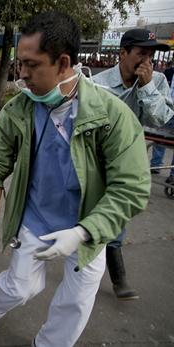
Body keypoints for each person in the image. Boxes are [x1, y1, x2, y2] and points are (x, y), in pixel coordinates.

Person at [0, 12, 150, 346]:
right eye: (20, 63)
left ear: (63, 62)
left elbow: (131, 188)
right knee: (20, 286)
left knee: (75, 303)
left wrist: (84, 231)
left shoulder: (111, 116)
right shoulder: (20, 110)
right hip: (36, 221)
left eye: (31, 64)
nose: (22, 74)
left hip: (89, 229)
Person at [92, 28, 173, 300]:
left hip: (128, 164)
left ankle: (118, 278)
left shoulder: (158, 81)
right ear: (123, 53)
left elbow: (160, 119)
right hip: (97, 161)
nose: (146, 61)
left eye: (151, 55)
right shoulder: (99, 83)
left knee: (117, 217)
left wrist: (147, 87)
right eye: (141, 54)